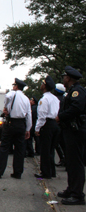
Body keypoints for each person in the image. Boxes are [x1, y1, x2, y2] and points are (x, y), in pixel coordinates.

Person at [56, 66, 86, 205]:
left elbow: (76, 108)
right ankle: (72, 189)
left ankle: (77, 194)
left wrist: (60, 117)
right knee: (71, 162)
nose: (63, 79)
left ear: (68, 78)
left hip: (76, 131)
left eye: (64, 77)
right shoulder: (73, 91)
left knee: (76, 163)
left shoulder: (77, 91)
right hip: (71, 131)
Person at [0, 78, 32, 179]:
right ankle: (17, 173)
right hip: (21, 124)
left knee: (4, 147)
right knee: (19, 149)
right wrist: (28, 129)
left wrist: (6, 108)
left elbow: (7, 97)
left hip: (11, 123)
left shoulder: (12, 94)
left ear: (16, 86)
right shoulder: (26, 99)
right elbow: (28, 116)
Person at [34, 76, 60, 179]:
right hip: (55, 124)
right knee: (51, 150)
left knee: (45, 149)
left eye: (42, 83)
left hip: (47, 125)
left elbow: (42, 116)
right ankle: (51, 171)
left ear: (44, 86)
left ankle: (45, 172)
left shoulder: (44, 99)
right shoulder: (55, 99)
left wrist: (37, 128)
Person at [53, 83, 66, 167]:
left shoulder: (55, 99)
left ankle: (63, 159)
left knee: (57, 143)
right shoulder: (65, 99)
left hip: (57, 123)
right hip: (64, 124)